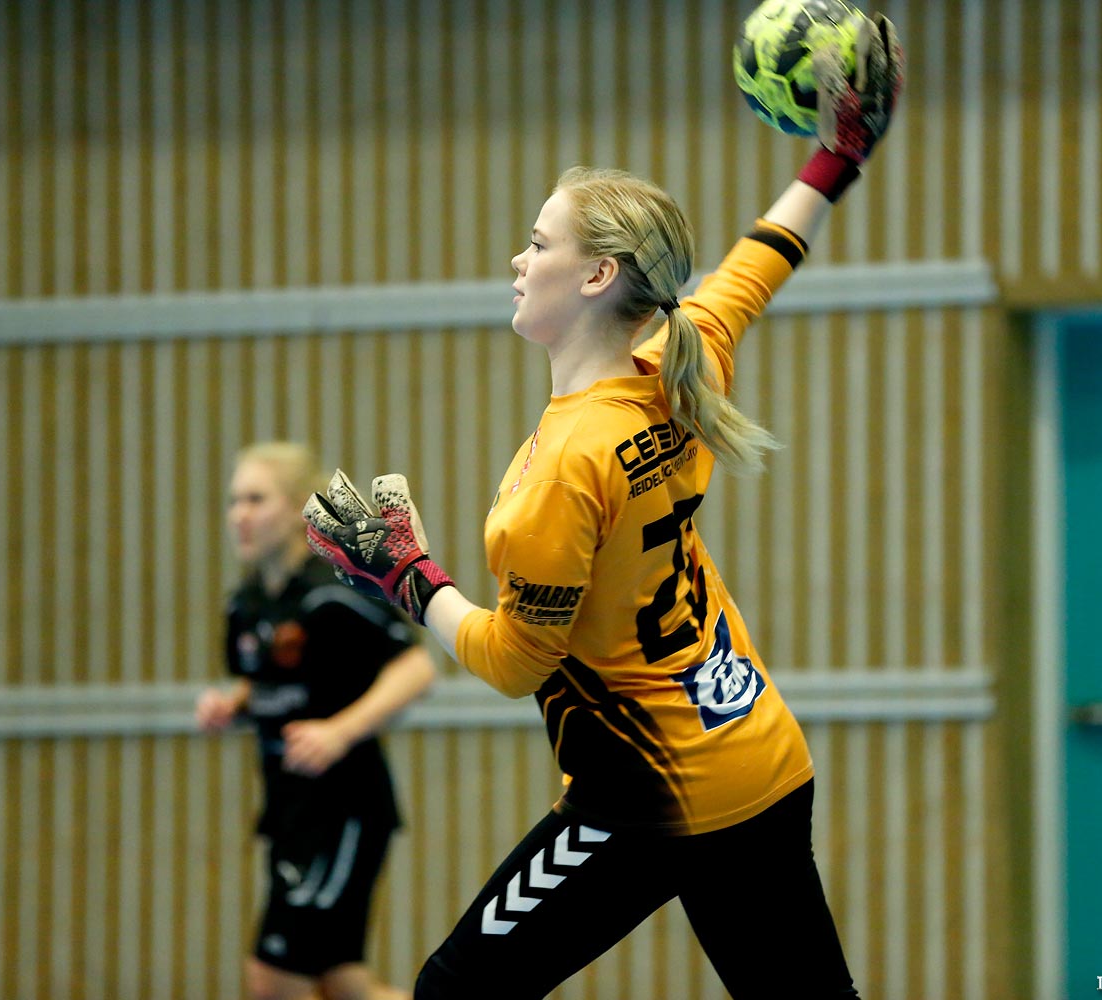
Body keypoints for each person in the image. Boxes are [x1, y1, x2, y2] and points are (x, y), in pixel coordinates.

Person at [302, 16, 902, 999]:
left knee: (453, 991)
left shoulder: (562, 471)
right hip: (759, 758)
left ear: (596, 275)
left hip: (649, 797)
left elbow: (514, 660)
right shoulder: (680, 354)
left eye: (538, 241)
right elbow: (764, 256)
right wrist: (837, 159)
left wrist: (406, 574)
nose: (517, 258)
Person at [197, 441, 436, 1000]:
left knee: (273, 979)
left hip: (343, 811)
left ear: (297, 507)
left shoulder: (331, 595)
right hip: (289, 810)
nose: (241, 515)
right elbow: (268, 684)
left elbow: (415, 669)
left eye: (256, 499)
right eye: (234, 501)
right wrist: (234, 702)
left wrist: (339, 731)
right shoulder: (247, 604)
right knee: (341, 984)